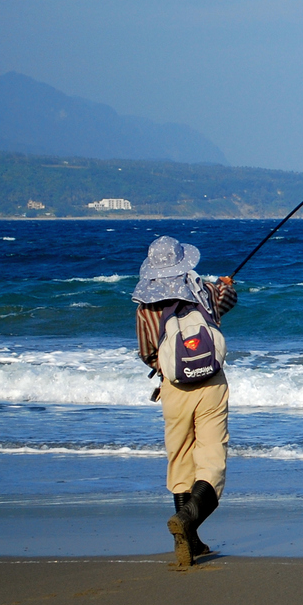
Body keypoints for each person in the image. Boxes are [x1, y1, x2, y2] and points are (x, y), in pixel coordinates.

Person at [132, 236, 238, 566]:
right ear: (183, 263)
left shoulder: (145, 308)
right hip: (211, 383)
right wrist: (226, 286)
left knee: (180, 459)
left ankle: (190, 542)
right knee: (211, 458)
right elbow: (229, 301)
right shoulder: (204, 290)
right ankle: (189, 520)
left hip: (173, 389)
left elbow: (148, 353)